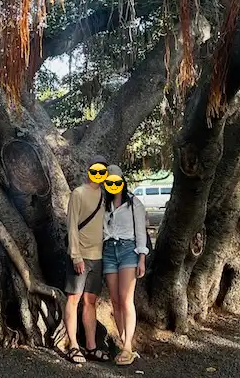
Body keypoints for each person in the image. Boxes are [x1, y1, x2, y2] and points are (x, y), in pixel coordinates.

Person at [62, 155, 111, 364]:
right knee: (73, 300)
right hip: (80, 256)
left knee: (90, 302)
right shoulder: (78, 193)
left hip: (98, 256)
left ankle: (91, 346)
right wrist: (75, 256)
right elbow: (72, 225)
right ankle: (73, 344)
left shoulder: (104, 196)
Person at [101, 164, 149, 366]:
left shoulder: (134, 203)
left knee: (126, 298)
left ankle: (128, 346)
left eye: (116, 181)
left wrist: (141, 258)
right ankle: (123, 344)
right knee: (115, 300)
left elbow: (141, 233)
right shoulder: (103, 205)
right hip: (108, 251)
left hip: (129, 250)